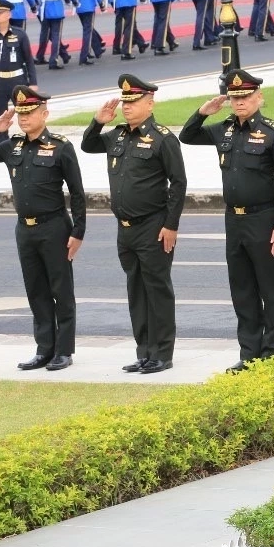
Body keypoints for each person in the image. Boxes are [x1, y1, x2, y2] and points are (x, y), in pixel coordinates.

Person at [181, 69, 274, 371]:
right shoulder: (224, 130)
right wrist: (203, 112)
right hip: (234, 220)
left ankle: (271, 354)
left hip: (264, 218)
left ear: (259, 97)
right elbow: (188, 136)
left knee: (270, 289)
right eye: (234, 97)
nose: (239, 102)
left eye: (245, 96)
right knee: (242, 289)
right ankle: (249, 353)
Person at [0, 86, 86, 372]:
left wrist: (78, 232)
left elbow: (78, 193)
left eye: (29, 113)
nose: (23, 118)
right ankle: (44, 348)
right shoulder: (13, 146)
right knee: (36, 291)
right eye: (20, 113)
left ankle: (64, 350)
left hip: (55, 227)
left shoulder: (60, 146)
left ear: (44, 114)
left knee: (61, 290)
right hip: (25, 229)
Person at [81, 74, 187, 374]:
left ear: (150, 103)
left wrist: (171, 224)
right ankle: (144, 351)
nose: (127, 107)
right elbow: (89, 145)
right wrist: (98, 121)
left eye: (134, 101)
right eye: (125, 102)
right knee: (136, 290)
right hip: (124, 228)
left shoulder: (163, 138)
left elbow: (178, 183)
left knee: (157, 289)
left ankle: (162, 353)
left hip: (153, 225)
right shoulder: (117, 135)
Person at [0, 0, 38, 127]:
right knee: (0, 118)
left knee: (26, 115)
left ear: (8, 14)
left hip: (18, 81)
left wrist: (33, 82)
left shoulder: (20, 34)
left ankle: (29, 144)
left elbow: (29, 60)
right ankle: (3, 145)